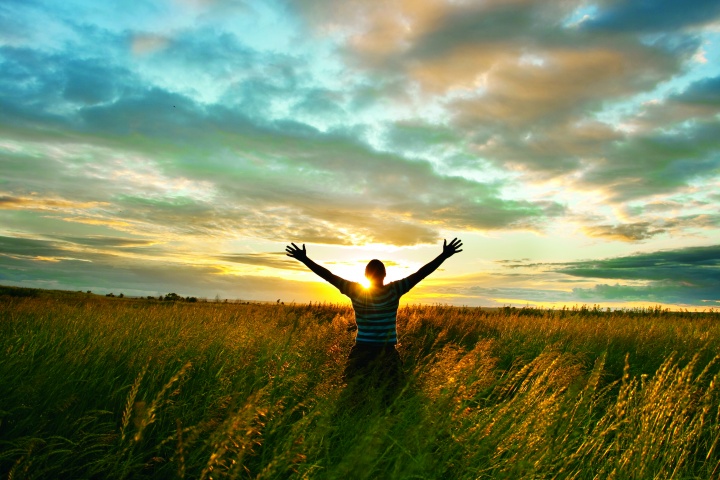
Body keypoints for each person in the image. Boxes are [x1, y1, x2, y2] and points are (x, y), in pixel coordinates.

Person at [285, 238, 463, 400]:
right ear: (385, 275)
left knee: (350, 395)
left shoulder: (356, 291)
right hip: (387, 352)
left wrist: (305, 260)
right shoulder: (394, 290)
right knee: (393, 396)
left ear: (365, 276)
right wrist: (444, 255)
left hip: (361, 350)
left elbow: (329, 276)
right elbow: (421, 273)